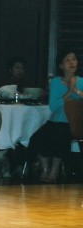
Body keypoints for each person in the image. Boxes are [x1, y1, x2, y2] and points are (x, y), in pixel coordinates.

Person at [28, 50, 82, 183]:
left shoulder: (81, 81)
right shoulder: (56, 82)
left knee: (60, 134)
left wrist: (75, 90)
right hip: (55, 121)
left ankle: (55, 169)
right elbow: (53, 106)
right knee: (38, 137)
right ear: (61, 65)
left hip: (73, 123)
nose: (72, 62)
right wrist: (69, 93)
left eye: (74, 59)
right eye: (67, 60)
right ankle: (45, 167)